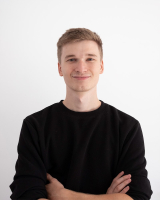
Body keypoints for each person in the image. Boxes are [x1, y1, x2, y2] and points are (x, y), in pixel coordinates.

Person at [9, 28, 153, 200]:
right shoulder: (35, 125)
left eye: (90, 59)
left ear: (101, 66)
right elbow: (26, 194)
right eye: (72, 59)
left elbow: (138, 196)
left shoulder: (127, 127)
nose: (81, 67)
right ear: (60, 68)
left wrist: (64, 195)